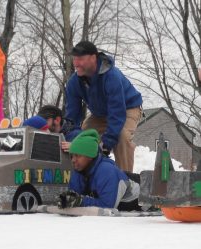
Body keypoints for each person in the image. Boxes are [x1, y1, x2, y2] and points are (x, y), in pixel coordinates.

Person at [65, 41, 143, 173]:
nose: (76, 63)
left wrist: (106, 144)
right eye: (75, 59)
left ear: (93, 58)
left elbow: (117, 113)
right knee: (82, 136)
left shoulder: (111, 76)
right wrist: (73, 139)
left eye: (81, 59)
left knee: (121, 136)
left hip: (128, 108)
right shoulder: (74, 82)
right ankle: (85, 176)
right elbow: (72, 116)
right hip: (100, 114)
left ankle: (125, 180)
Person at [57, 129, 141, 211]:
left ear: (90, 156)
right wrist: (68, 199)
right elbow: (75, 195)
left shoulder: (107, 171)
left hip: (143, 194)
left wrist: (81, 201)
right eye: (72, 156)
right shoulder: (79, 171)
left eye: (78, 156)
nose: (73, 160)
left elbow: (108, 206)